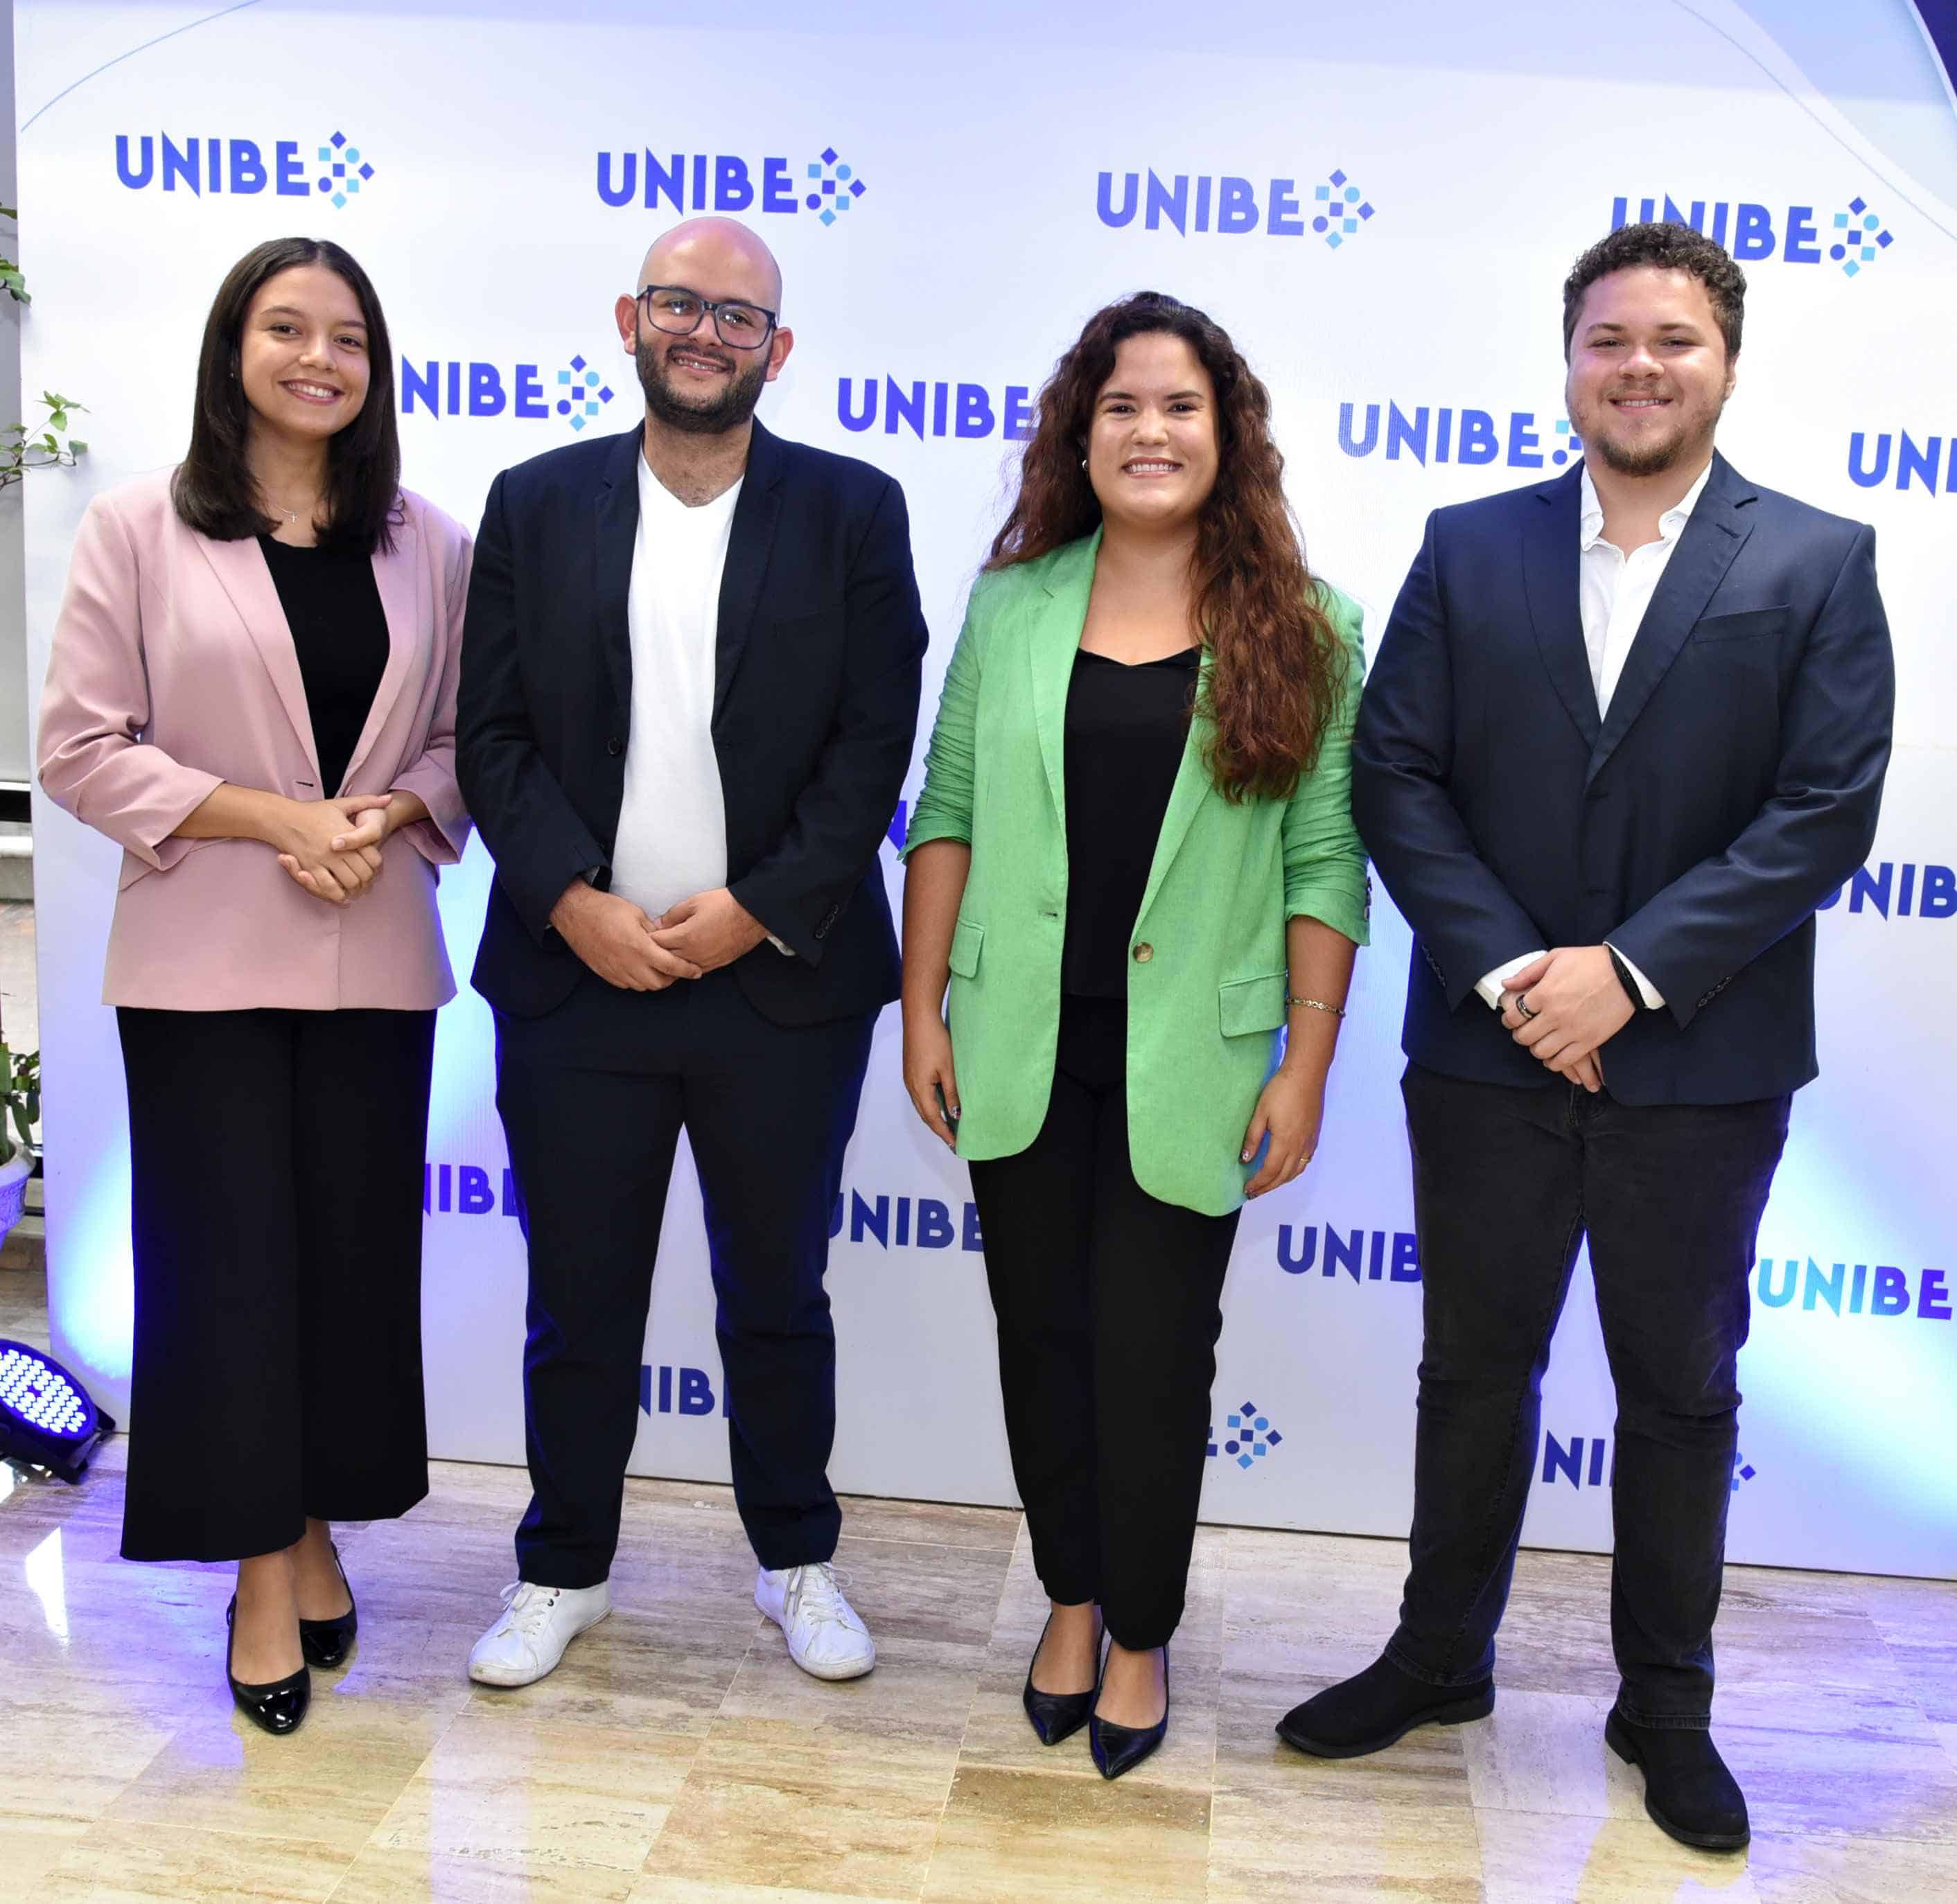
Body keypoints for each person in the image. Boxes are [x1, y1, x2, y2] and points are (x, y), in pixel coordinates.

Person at [1278, 223, 1895, 1852]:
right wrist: (1506, 976)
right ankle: (1435, 1659)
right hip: (1484, 1054)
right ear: (1566, 361)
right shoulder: (1465, 543)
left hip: (1700, 1064)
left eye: (1671, 341)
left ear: (1725, 363)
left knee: (1677, 1391)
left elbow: (1823, 811)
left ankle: (1663, 1707)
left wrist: (1622, 974)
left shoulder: (1817, 559)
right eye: (1607, 338)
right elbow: (1393, 773)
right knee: (1472, 1369)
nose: (1637, 365)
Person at [902, 292, 1369, 1780]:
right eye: (1119, 406)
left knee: (1155, 1354)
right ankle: (1070, 1595)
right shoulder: (1014, 602)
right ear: (1079, 434)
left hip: (1201, 1061)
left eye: (1178, 405)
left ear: (1223, 434)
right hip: (1019, 1040)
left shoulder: (1305, 627)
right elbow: (950, 811)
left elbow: (1320, 861)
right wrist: (918, 1004)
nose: (1148, 430)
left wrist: (1303, 1062)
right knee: (1040, 1338)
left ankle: (1146, 1626)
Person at [456, 216, 926, 1690]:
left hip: (777, 984)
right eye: (680, 305)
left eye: (738, 318)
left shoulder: (852, 509)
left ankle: (796, 1563)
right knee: (578, 1299)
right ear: (629, 318)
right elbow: (492, 737)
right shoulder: (535, 504)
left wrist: (756, 907)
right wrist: (574, 904)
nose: (706, 333)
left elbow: (872, 748)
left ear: (775, 352)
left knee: (775, 1294)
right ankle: (561, 1570)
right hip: (573, 978)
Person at [37, 237, 472, 1736]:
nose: (318, 359)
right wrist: (271, 817)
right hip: (203, 961)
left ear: (376, 366)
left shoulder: (428, 539)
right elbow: (82, 749)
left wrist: (385, 820)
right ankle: (262, 1579)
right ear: (235, 348)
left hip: (376, 952)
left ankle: (316, 1520)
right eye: (286, 328)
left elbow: (468, 743)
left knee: (345, 1266)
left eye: (347, 335)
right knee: (228, 1278)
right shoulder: (137, 528)